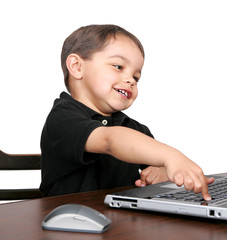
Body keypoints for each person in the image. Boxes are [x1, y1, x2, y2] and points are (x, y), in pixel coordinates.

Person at [40, 24, 214, 200]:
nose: (130, 80)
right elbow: (110, 139)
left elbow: (154, 163)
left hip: (121, 222)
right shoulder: (63, 117)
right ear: (77, 66)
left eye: (136, 77)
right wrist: (171, 156)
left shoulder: (135, 129)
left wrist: (161, 172)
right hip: (68, 222)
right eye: (118, 66)